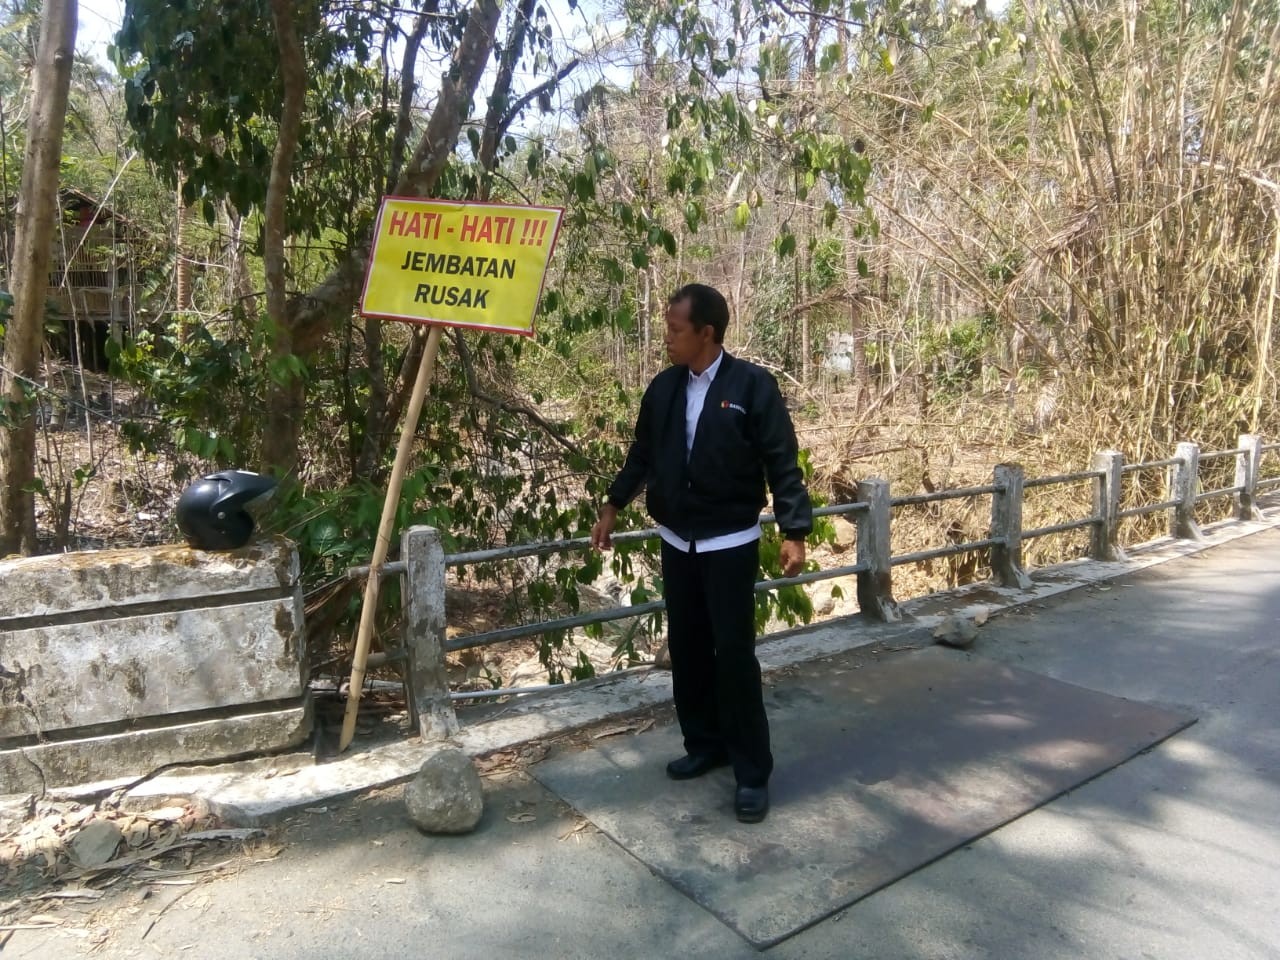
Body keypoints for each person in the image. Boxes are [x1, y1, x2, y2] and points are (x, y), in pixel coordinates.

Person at [591, 283, 812, 823]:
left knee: (733, 658)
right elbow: (642, 454)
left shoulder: (751, 386)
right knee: (688, 649)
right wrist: (613, 504)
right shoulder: (664, 388)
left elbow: (781, 457)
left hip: (729, 543)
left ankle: (752, 772)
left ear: (705, 334)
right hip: (677, 542)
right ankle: (705, 744)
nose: (666, 338)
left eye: (675, 330)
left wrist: (794, 529)